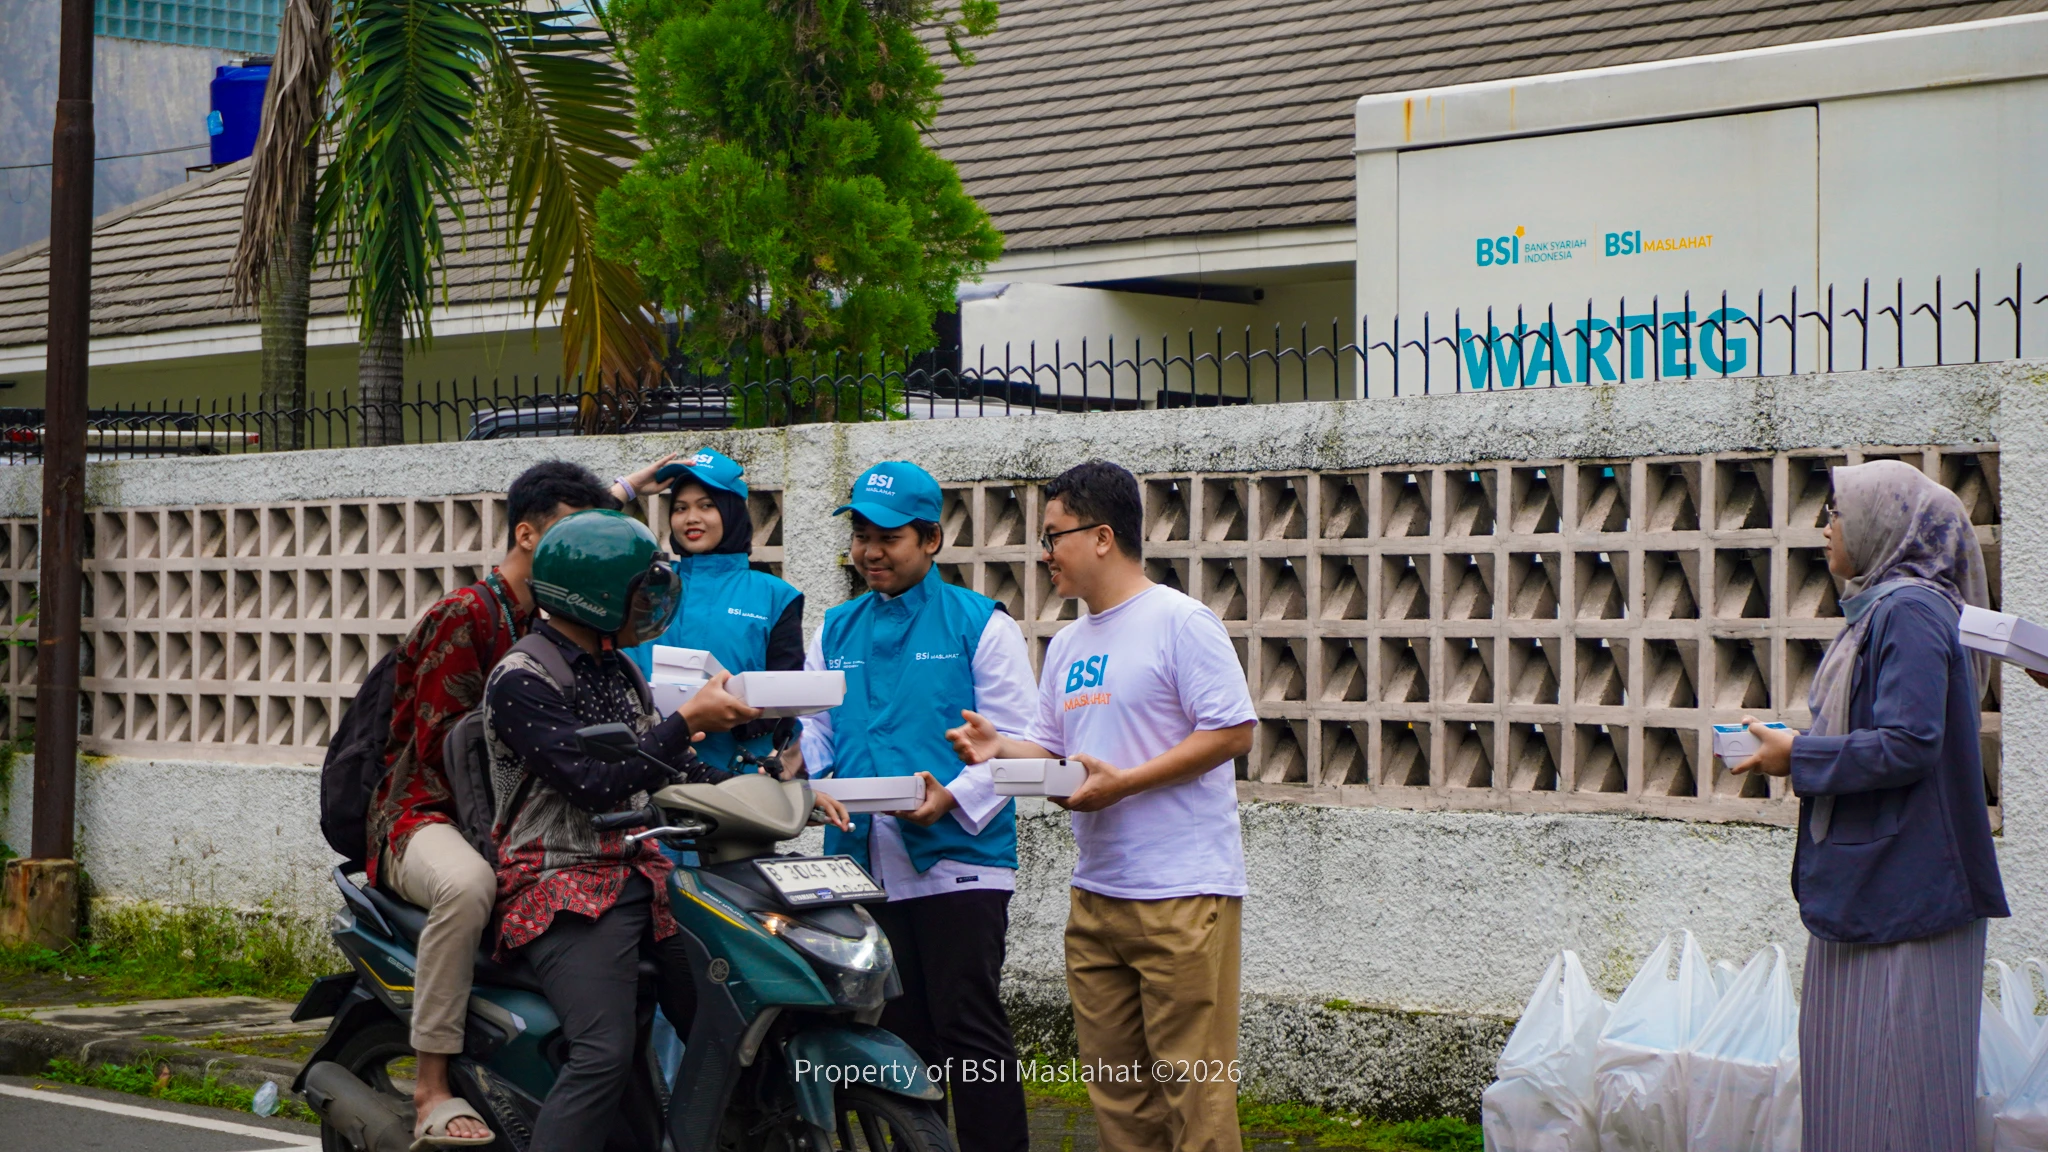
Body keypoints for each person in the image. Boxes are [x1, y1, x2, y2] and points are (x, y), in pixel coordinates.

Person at [483, 509, 821, 1152]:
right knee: (602, 1052)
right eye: (641, 591)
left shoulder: (618, 669)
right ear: (599, 594)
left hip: (647, 873)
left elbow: (677, 770)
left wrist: (789, 793)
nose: (651, 604)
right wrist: (686, 717)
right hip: (559, 884)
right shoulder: (520, 678)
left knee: (732, 1018)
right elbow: (589, 779)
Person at [946, 459, 1257, 1152]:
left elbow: (1233, 731)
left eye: (1054, 535)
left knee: (1195, 1096)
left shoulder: (1182, 622)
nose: (1044, 551)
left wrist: (1126, 783)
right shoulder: (1067, 645)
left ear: (1103, 536)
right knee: (1119, 1101)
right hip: (1095, 899)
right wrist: (1001, 748)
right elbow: (1058, 758)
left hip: (1182, 894)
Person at [1733, 459, 2008, 1152]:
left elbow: (1910, 743)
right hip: (1876, 890)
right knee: (1857, 1102)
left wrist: (1798, 756)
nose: (1825, 528)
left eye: (1837, 513)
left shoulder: (1909, 610)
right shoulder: (1881, 609)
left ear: (1885, 525)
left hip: (1906, 896)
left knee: (1894, 1108)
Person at [362, 460, 615, 1147]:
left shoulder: (582, 622)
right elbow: (449, 750)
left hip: (529, 818)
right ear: (528, 536)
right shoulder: (467, 614)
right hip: (426, 815)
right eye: (573, 535)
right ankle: (432, 1083)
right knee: (470, 887)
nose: (588, 553)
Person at [785, 460, 1037, 1152]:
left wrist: (952, 796)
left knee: (969, 1028)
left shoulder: (980, 624)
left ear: (931, 540)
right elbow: (816, 729)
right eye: (861, 534)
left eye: (888, 537)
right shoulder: (836, 629)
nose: (870, 551)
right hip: (865, 867)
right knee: (898, 1034)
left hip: (962, 863)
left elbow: (1023, 742)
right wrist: (800, 771)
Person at [623, 447, 805, 773]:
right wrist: (627, 489)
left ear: (732, 511)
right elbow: (572, 543)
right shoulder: (648, 585)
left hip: (742, 782)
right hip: (649, 773)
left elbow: (786, 700)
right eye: (680, 508)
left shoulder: (776, 596)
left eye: (707, 505)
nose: (691, 518)